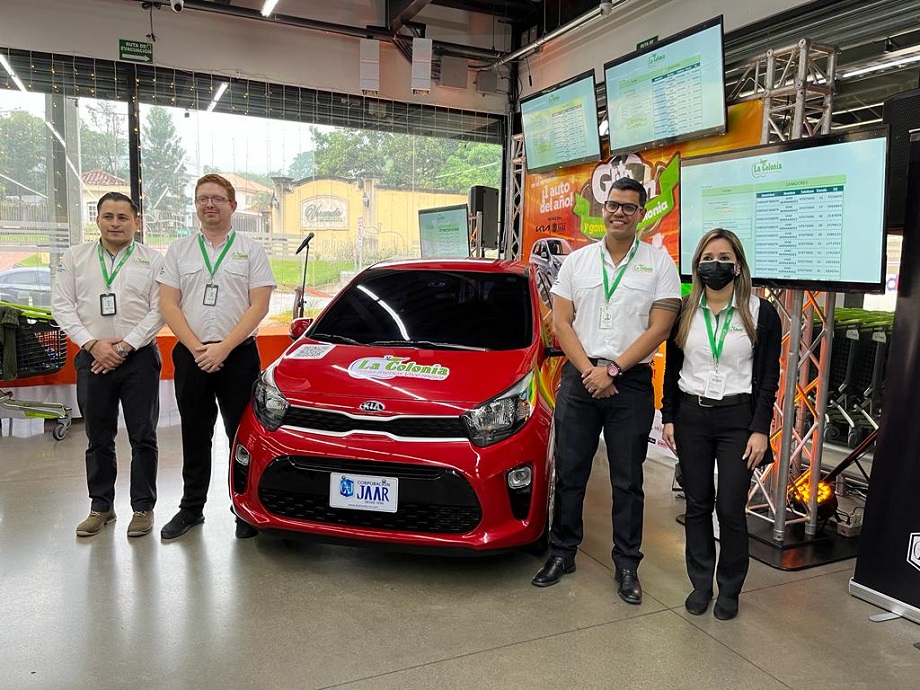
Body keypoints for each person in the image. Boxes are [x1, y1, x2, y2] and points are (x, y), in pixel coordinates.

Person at [532, 177, 681, 604]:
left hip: (630, 382)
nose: (618, 212)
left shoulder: (658, 264)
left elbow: (661, 327)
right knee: (570, 471)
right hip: (580, 378)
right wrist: (589, 371)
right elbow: (561, 322)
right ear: (603, 209)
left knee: (628, 480)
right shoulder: (577, 263)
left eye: (628, 207)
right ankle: (562, 553)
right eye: (612, 205)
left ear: (641, 214)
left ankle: (627, 565)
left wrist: (613, 369)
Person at [661, 228, 781, 620]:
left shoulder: (761, 312)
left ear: (738, 264)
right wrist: (669, 416)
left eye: (725, 257)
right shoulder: (684, 309)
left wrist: (760, 428)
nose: (717, 264)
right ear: (697, 265)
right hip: (692, 416)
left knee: (730, 507)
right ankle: (700, 583)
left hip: (738, 420)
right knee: (697, 504)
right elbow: (672, 370)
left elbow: (768, 379)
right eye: (709, 257)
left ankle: (730, 588)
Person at [157, 174, 276, 540]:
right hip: (191, 354)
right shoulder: (179, 250)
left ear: (232, 205)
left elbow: (259, 305)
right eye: (202, 198)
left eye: (218, 198)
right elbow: (168, 304)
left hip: (237, 355)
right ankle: (191, 509)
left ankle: (244, 510)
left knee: (242, 436)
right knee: (194, 434)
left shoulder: (251, 250)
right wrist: (197, 348)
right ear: (196, 205)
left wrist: (223, 348)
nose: (210, 204)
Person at [52, 192, 164, 538]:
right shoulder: (75, 257)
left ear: (136, 222)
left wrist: (126, 346)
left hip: (140, 358)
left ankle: (143, 507)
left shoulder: (153, 260)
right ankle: (101, 506)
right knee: (97, 437)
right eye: (108, 216)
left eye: (122, 217)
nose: (115, 223)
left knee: (142, 435)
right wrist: (93, 344)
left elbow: (160, 309)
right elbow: (62, 305)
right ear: (97, 220)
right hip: (92, 358)